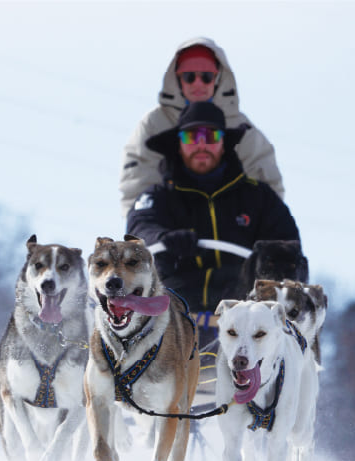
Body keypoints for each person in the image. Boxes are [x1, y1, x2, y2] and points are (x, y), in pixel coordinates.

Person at [126, 101, 302, 333]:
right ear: (179, 144)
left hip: (244, 323)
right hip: (172, 320)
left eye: (210, 136)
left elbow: (288, 249)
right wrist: (163, 237)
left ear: (223, 143)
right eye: (191, 137)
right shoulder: (157, 197)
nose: (201, 145)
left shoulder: (259, 198)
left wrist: (269, 261)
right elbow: (139, 229)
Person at [119, 37, 285, 218]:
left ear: (218, 77)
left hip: (230, 230)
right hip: (172, 229)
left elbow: (267, 186)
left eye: (206, 77)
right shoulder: (154, 125)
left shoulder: (240, 128)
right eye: (189, 77)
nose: (198, 84)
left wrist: (260, 232)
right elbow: (137, 184)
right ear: (177, 78)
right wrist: (146, 232)